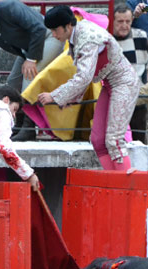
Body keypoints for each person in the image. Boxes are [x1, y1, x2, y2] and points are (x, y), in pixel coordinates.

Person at [37, 6, 139, 171]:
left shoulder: (87, 38)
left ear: (68, 26)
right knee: (98, 141)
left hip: (124, 83)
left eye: (55, 30)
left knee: (114, 140)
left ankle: (125, 189)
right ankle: (115, 183)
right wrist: (68, 98)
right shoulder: (78, 35)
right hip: (110, 84)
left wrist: (55, 96)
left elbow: (84, 77)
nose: (54, 35)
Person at [0, 0, 65, 141]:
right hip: (27, 49)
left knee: (29, 76)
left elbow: (39, 29)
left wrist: (31, 59)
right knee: (12, 83)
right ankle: (19, 122)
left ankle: (29, 127)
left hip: (48, 37)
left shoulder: (10, 8)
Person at [113, 4, 148, 144]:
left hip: (138, 95)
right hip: (115, 97)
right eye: (120, 22)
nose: (124, 25)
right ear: (113, 21)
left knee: (140, 137)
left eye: (127, 21)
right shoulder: (108, 40)